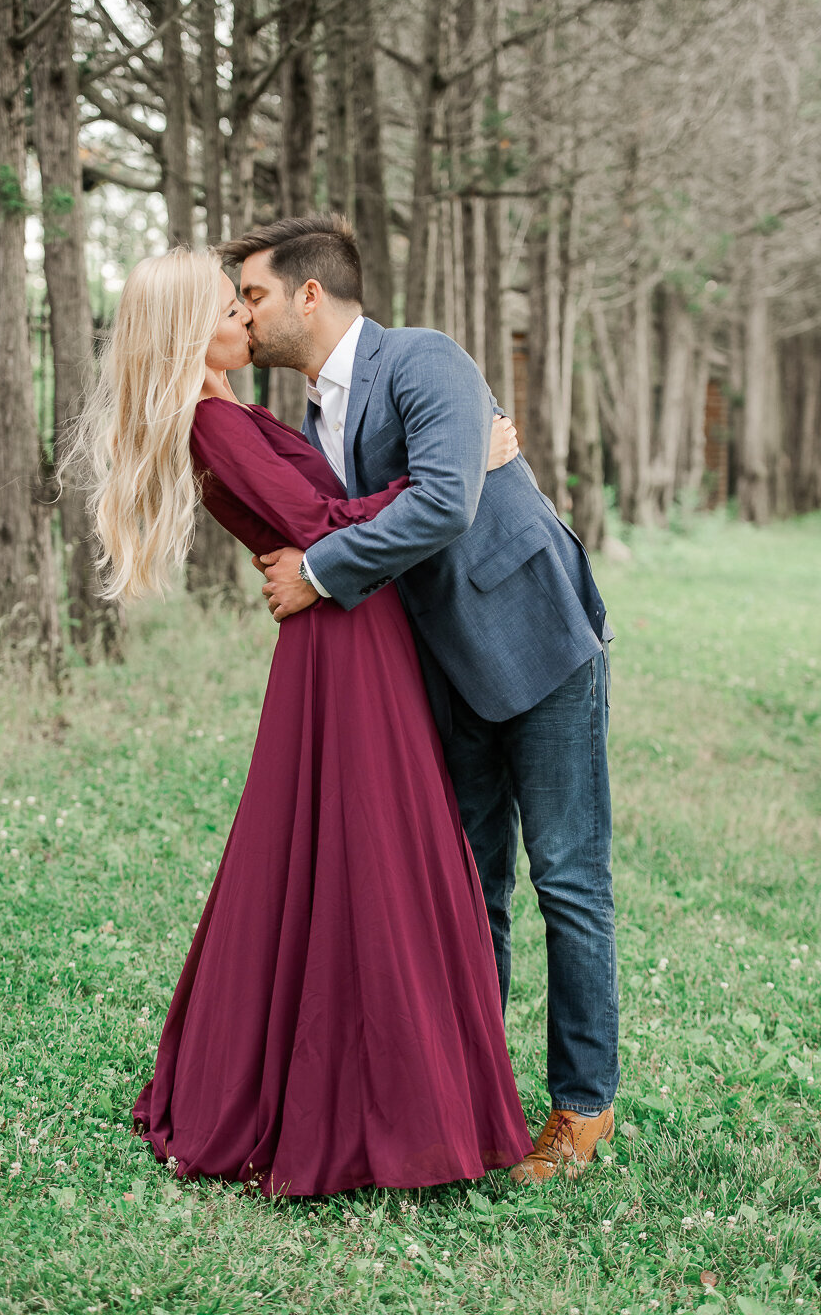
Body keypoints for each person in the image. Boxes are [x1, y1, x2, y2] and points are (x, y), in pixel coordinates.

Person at [74, 248, 532, 1197]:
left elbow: (322, 519)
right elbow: (325, 526)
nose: (247, 320)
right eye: (229, 309)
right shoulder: (215, 422)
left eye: (246, 303)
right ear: (187, 331)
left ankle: (402, 1089)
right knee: (367, 855)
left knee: (365, 853)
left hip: (348, 632)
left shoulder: (235, 414)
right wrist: (454, 472)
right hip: (340, 647)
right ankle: (366, 1105)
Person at [221, 214, 619, 1185]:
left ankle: (582, 1105)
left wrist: (320, 567)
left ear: (310, 294)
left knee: (565, 874)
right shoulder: (312, 412)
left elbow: (443, 503)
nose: (244, 312)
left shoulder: (423, 358)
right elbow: (419, 489)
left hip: (536, 636)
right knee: (470, 881)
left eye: (256, 295)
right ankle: (473, 1100)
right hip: (438, 666)